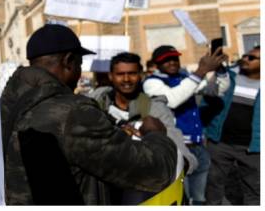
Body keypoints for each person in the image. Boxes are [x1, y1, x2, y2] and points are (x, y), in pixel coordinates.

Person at [1, 24, 177, 205]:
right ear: (69, 61)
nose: (79, 74)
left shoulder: (5, 108)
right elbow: (152, 171)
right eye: (79, 64)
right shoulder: (74, 113)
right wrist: (156, 135)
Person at [88, 52, 198, 204]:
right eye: (121, 74)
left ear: (140, 75)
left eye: (132, 73)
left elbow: (184, 157)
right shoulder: (95, 104)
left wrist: (150, 140)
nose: (126, 79)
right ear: (111, 76)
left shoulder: (155, 109)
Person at [143, 45, 229, 205]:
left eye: (174, 58)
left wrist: (220, 70)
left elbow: (217, 90)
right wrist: (201, 71)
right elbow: (172, 100)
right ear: (156, 64)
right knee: (181, 197)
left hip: (198, 146)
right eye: (166, 60)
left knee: (200, 198)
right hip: (177, 149)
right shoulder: (151, 82)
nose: (172, 63)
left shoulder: (185, 77)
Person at [203, 46, 260, 205]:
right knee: (213, 185)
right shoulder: (229, 78)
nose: (245, 59)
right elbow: (209, 99)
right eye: (245, 56)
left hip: (252, 148)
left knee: (254, 190)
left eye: (252, 58)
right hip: (220, 143)